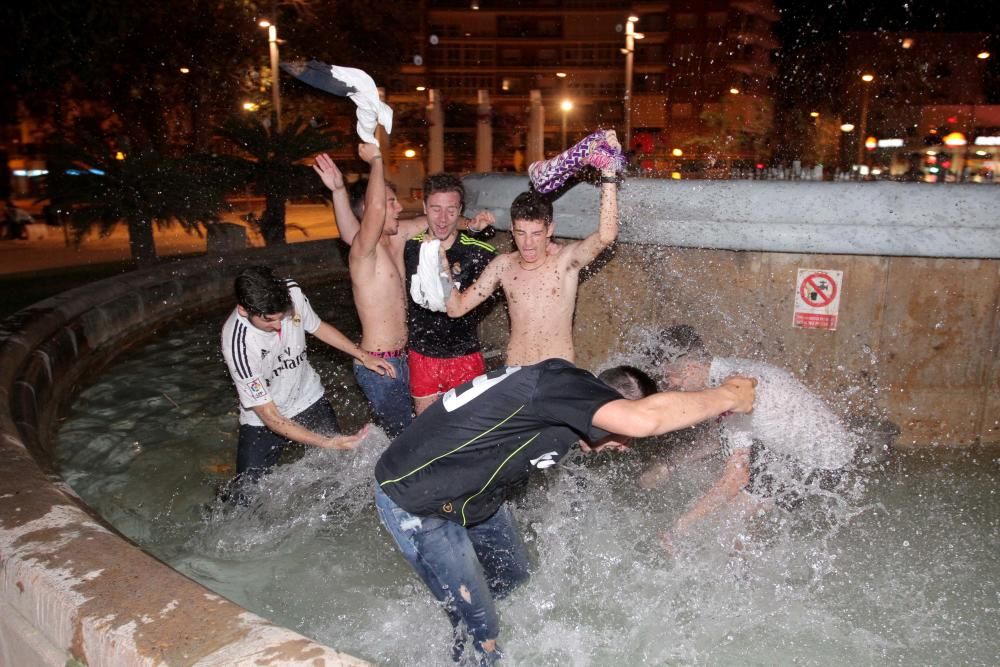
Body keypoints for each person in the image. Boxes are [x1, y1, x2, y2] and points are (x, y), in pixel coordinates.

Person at [374, 358, 757, 664]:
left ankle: (458, 611)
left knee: (514, 577)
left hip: (475, 495)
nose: (625, 446)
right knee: (482, 630)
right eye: (622, 435)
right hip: (418, 499)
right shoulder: (561, 389)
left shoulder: (568, 396)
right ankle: (469, 643)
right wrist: (727, 396)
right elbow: (646, 419)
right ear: (609, 403)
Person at [648, 325, 857, 544]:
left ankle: (739, 569)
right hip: (818, 446)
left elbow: (736, 477)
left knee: (729, 526)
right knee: (733, 517)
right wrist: (670, 463)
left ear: (690, 368)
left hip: (820, 464)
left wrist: (682, 524)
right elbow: (721, 437)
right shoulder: (730, 372)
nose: (669, 386)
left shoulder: (732, 394)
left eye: (669, 378)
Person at [445, 130, 621, 366]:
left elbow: (606, 235)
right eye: (520, 233)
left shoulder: (565, 262)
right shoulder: (503, 266)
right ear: (511, 229)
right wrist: (438, 262)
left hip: (556, 375)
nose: (528, 243)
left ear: (550, 229)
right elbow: (456, 308)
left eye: (536, 234)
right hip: (516, 373)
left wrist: (609, 173)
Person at [220, 265, 387, 490]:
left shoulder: (292, 292)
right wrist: (328, 442)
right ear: (243, 310)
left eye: (282, 317)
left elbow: (317, 327)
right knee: (245, 494)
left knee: (341, 473)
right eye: (269, 320)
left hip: (308, 398)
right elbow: (271, 417)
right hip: (263, 419)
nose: (278, 326)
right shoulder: (238, 345)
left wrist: (362, 355)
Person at [312, 144, 412, 437]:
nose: (399, 207)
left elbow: (347, 230)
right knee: (403, 440)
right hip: (381, 364)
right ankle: (382, 483)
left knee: (399, 435)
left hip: (397, 360)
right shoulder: (364, 249)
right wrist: (377, 160)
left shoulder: (372, 245)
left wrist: (338, 190)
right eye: (391, 201)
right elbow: (376, 208)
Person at [404, 173, 498, 415]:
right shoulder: (411, 247)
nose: (443, 219)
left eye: (451, 210)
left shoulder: (481, 253)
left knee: (468, 431)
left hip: (465, 355)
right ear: (424, 207)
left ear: (461, 210)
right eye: (435, 209)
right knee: (426, 433)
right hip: (422, 356)